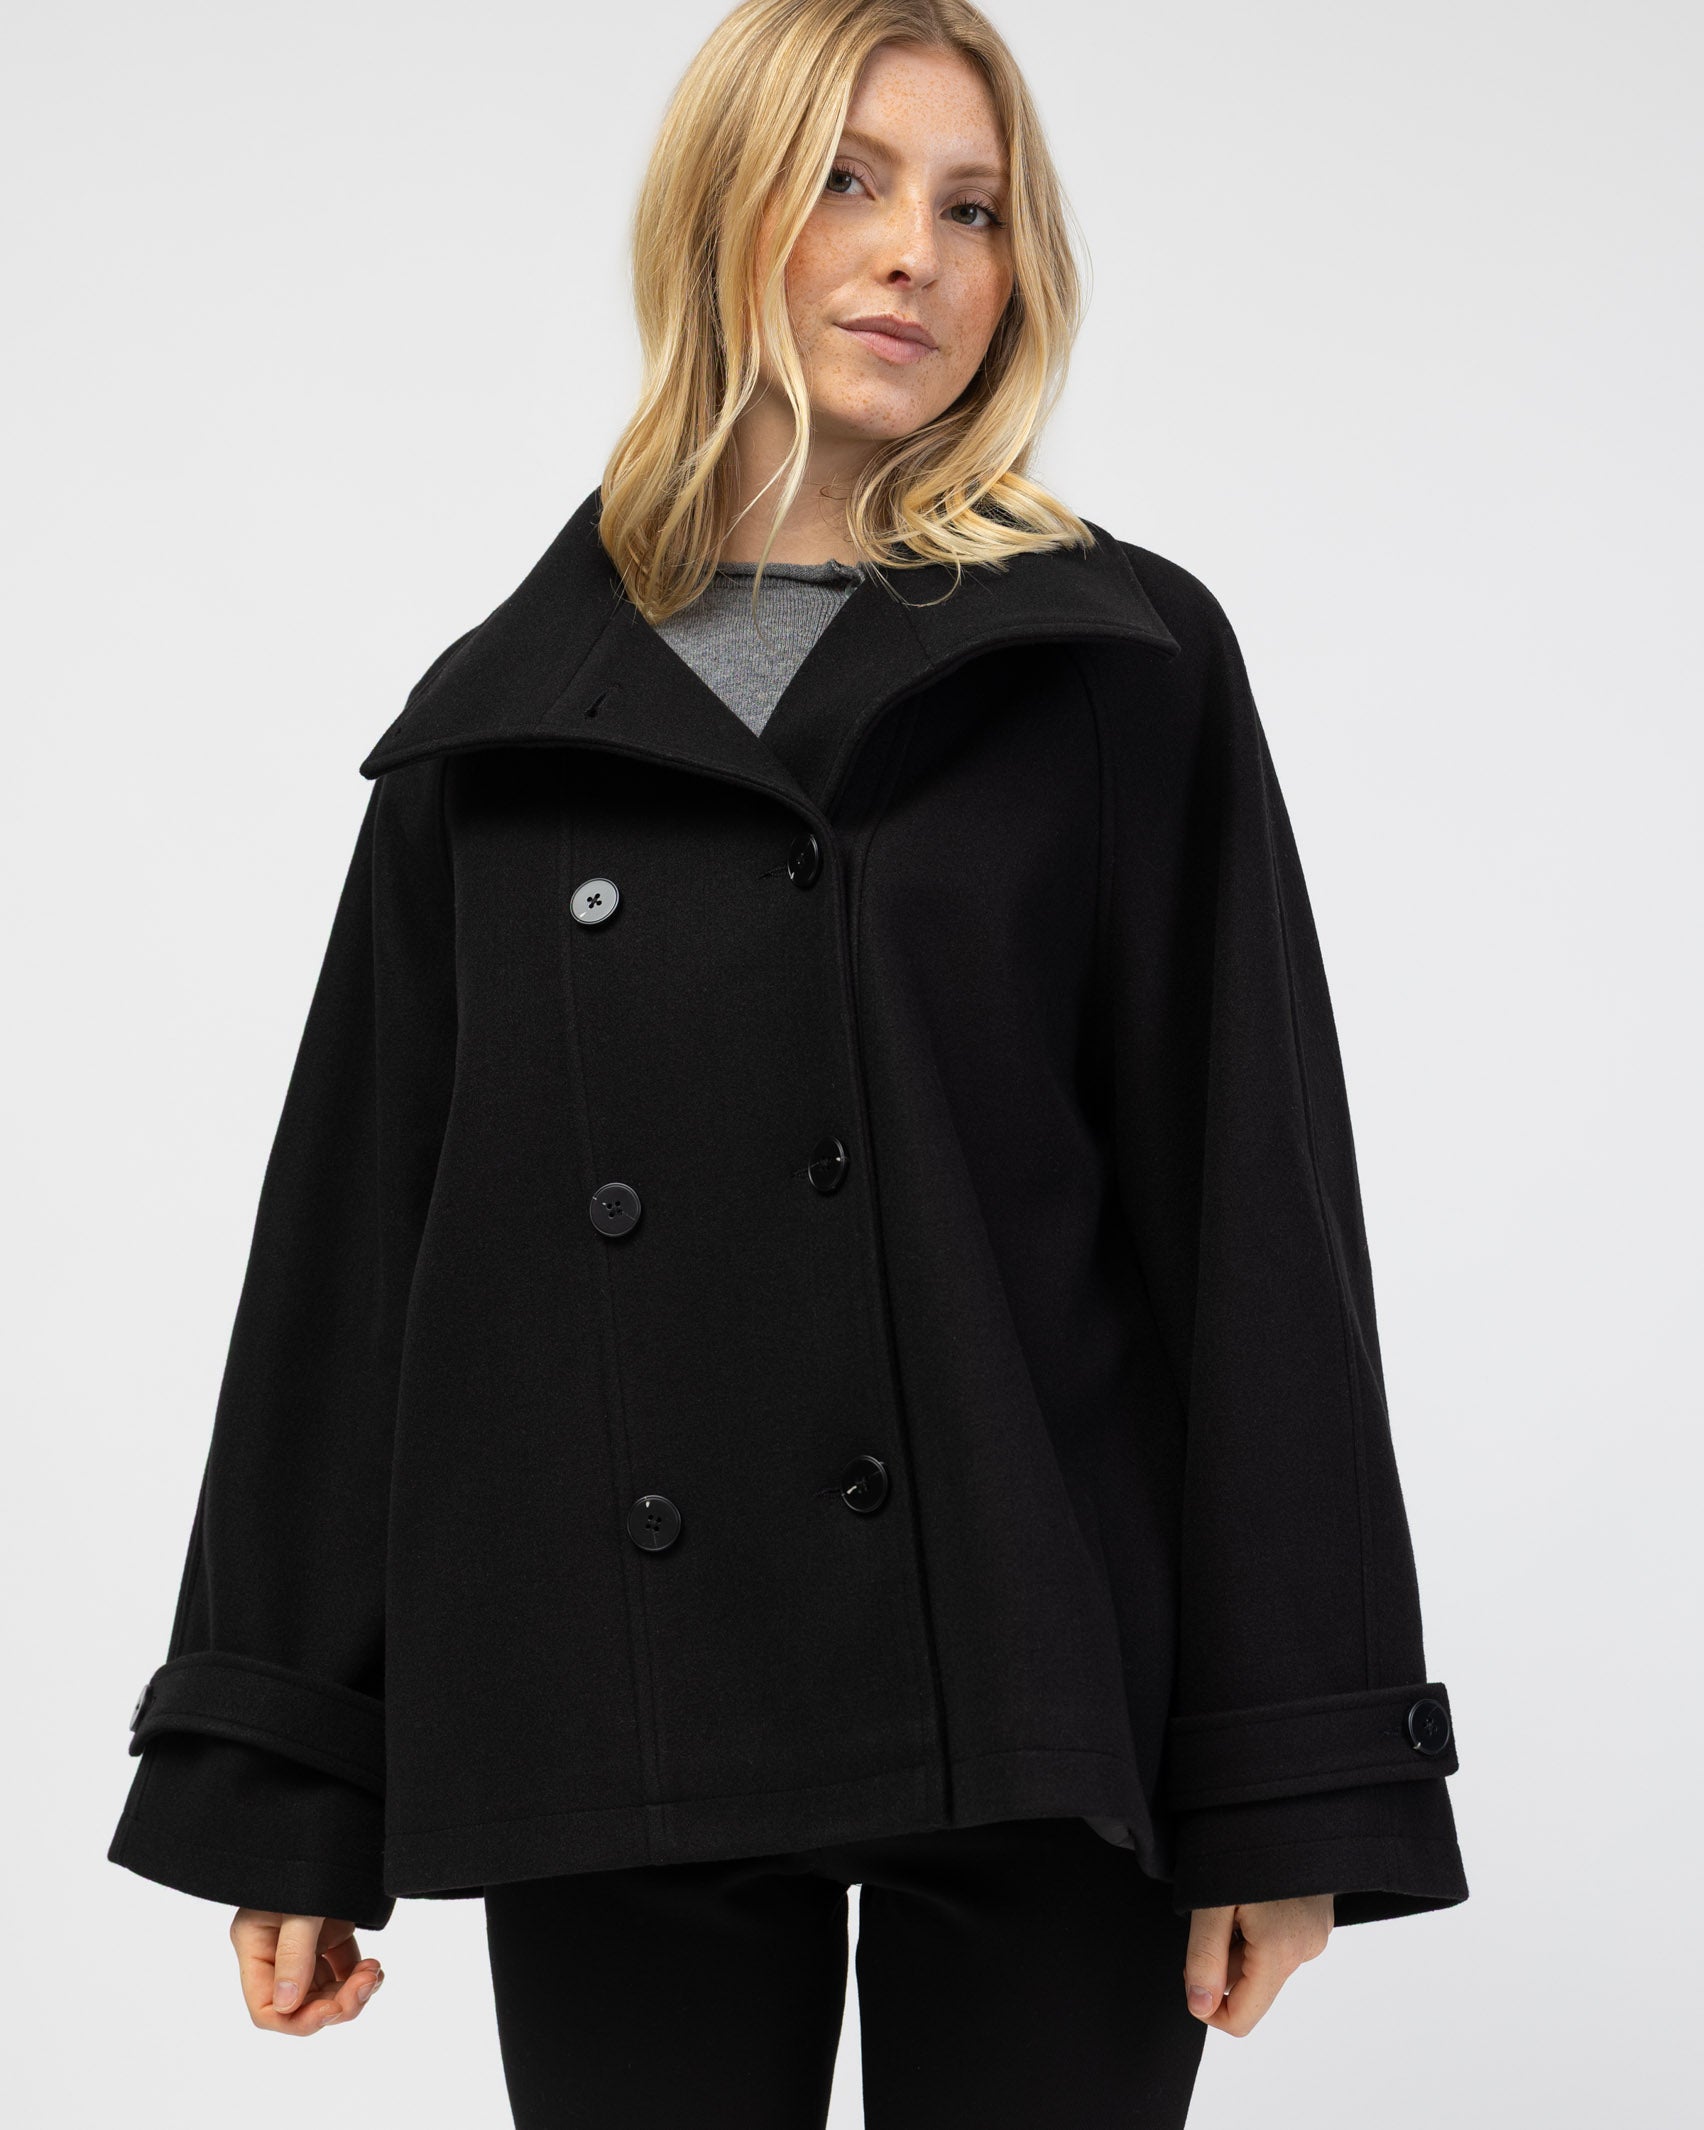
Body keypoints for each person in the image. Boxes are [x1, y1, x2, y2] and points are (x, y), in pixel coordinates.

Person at [106, 2, 1468, 2122]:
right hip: (618, 1696)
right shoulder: (510, 713)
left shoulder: (1116, 663)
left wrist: (1291, 1772)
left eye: (974, 206)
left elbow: (1256, 1222)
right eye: (847, 178)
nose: (916, 249)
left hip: (1038, 1680)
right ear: (718, 212)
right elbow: (354, 1248)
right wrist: (285, 1773)